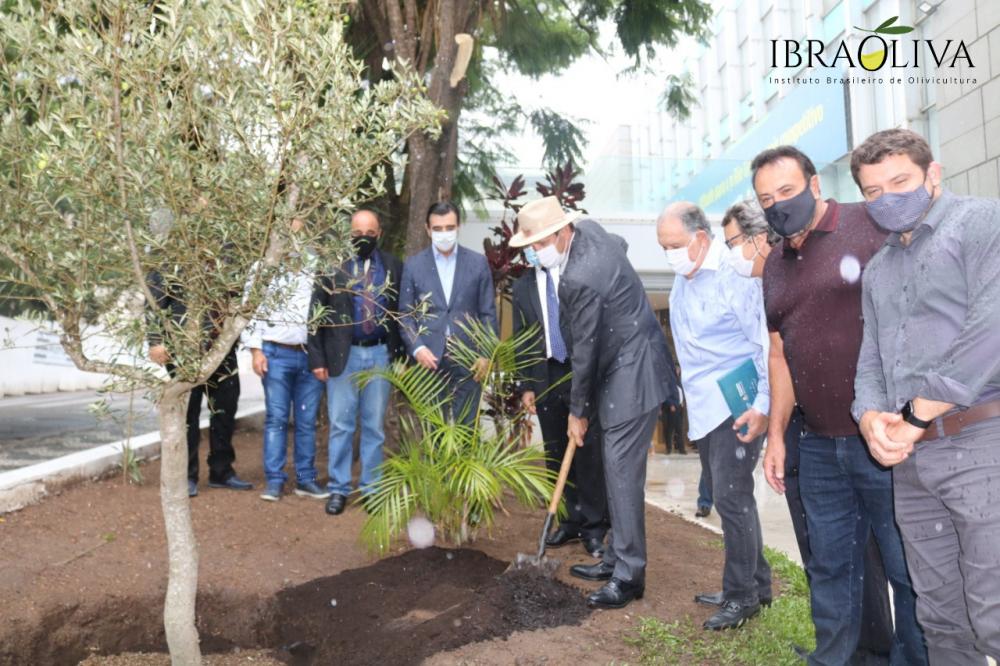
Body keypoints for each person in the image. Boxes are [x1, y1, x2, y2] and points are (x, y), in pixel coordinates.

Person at [752, 145, 924, 666]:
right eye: (767, 199)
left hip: (886, 438)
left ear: (815, 185)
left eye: (787, 191)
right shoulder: (775, 267)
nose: (779, 204)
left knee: (906, 570)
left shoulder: (869, 225)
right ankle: (837, 659)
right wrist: (777, 436)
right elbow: (781, 354)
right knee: (831, 569)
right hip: (821, 445)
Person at [725, 193, 896, 663]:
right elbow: (775, 358)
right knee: (827, 554)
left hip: (846, 426)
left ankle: (876, 648)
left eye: (735, 242)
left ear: (762, 237)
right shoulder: (769, 280)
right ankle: (847, 648)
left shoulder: (824, 261)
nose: (732, 255)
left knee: (874, 556)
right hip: (803, 431)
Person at [850, 128, 1000, 664]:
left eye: (900, 181)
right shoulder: (878, 270)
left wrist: (914, 414)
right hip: (911, 462)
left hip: (982, 441)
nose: (887, 198)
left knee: (994, 615)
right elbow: (870, 358)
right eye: (873, 191)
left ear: (932, 175)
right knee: (939, 619)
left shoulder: (982, 221)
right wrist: (869, 417)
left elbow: (991, 330)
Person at [510, 196, 678, 610]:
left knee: (620, 477)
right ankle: (617, 558)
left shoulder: (579, 278)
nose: (533, 252)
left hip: (631, 375)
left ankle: (629, 577)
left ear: (559, 233)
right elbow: (618, 243)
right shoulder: (592, 231)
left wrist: (577, 413)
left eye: (537, 243)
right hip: (622, 364)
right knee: (614, 472)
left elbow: (583, 353)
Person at [657, 201, 771, 631]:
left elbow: (762, 344)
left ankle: (742, 598)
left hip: (735, 404)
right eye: (663, 246)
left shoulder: (734, 277)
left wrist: (761, 404)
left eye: (675, 245)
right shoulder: (682, 282)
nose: (669, 254)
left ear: (702, 239)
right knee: (730, 497)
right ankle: (756, 585)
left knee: (731, 498)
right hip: (703, 407)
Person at [512, 244, 609, 559]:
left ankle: (595, 527)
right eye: (527, 246)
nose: (533, 251)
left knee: (588, 451)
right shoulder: (523, 285)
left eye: (537, 244)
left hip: (578, 370)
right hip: (545, 375)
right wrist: (526, 385)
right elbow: (521, 336)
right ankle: (569, 520)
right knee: (555, 451)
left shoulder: (573, 275)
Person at [146, 215, 252, 498]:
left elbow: (239, 298)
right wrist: (155, 341)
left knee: (225, 411)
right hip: (184, 353)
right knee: (188, 415)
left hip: (221, 349)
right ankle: (187, 476)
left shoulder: (229, 254)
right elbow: (155, 302)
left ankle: (222, 471)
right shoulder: (169, 257)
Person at [308, 209, 405, 516]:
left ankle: (371, 489)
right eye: (357, 232)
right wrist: (317, 358)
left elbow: (402, 309)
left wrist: (399, 352)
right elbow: (314, 315)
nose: (363, 237)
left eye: (370, 232)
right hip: (343, 355)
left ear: (379, 234)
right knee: (341, 425)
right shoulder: (332, 267)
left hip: (379, 353)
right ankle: (338, 488)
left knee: (374, 426)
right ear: (348, 233)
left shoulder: (392, 266)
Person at [243, 225, 327, 503]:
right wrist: (256, 351)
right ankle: (275, 481)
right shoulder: (263, 269)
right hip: (275, 354)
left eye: (300, 232)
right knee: (277, 419)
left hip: (309, 356)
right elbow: (250, 311)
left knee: (306, 421)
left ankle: (306, 479)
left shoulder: (316, 267)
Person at [398, 201, 497, 425]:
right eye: (438, 229)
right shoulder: (413, 266)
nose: (444, 234)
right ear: (427, 229)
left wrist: (486, 355)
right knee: (434, 431)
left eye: (449, 227)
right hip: (429, 359)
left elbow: (488, 313)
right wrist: (418, 348)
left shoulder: (477, 263)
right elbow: (405, 314)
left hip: (469, 359)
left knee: (467, 429)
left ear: (458, 227)